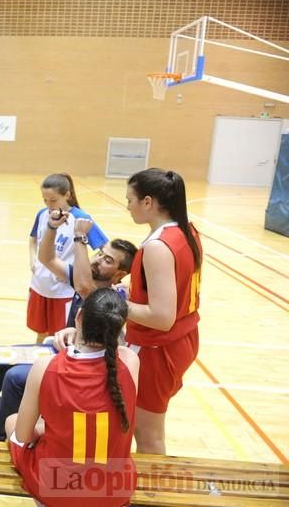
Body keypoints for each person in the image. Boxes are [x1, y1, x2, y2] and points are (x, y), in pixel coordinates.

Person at [0, 214, 138, 439]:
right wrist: (51, 227)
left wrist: (79, 237)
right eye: (100, 253)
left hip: (82, 365)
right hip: (62, 349)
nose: (97, 260)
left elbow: (84, 287)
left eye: (108, 260)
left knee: (15, 378)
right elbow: (46, 258)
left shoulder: (114, 295)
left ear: (119, 274)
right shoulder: (83, 276)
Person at [5, 288, 140, 507]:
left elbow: (23, 434)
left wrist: (41, 429)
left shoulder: (45, 367)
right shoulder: (131, 361)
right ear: (118, 328)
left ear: (78, 317)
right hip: (114, 490)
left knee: (12, 422)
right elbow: (118, 350)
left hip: (56, 488)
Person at [124, 168, 203, 455]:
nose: (127, 206)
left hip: (158, 348)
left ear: (148, 202)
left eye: (130, 199)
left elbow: (162, 316)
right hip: (182, 338)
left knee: (148, 436)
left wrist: (117, 303)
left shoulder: (158, 246)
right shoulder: (187, 230)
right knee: (144, 427)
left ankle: (152, 495)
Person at [27, 173, 108, 343]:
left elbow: (105, 249)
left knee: (61, 338)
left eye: (53, 200)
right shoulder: (42, 214)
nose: (49, 205)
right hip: (40, 285)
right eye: (45, 200)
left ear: (67, 195)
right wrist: (32, 258)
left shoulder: (81, 218)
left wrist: (81, 269)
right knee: (41, 335)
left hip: (64, 291)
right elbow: (33, 239)